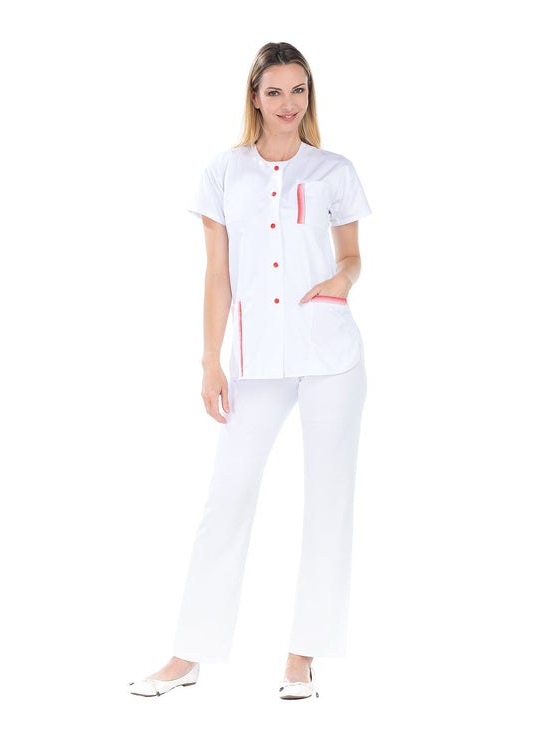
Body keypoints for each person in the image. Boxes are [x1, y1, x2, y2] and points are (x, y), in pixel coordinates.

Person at [129, 41, 371, 700]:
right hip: (255, 361)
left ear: (309, 95)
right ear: (255, 98)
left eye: (299, 90)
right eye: (275, 91)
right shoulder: (223, 172)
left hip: (330, 357)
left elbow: (352, 256)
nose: (288, 103)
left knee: (328, 501)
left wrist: (343, 280)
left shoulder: (334, 171)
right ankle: (188, 654)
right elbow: (217, 275)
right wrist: (210, 359)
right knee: (227, 497)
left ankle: (301, 657)